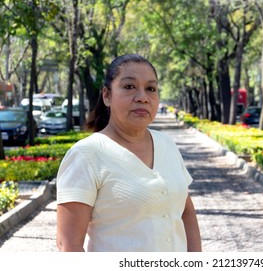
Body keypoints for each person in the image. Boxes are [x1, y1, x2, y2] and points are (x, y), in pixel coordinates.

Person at [56, 54, 202, 252]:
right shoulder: (86, 155)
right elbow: (68, 245)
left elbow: (186, 212)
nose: (142, 97)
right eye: (129, 87)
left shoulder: (167, 145)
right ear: (107, 95)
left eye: (151, 89)